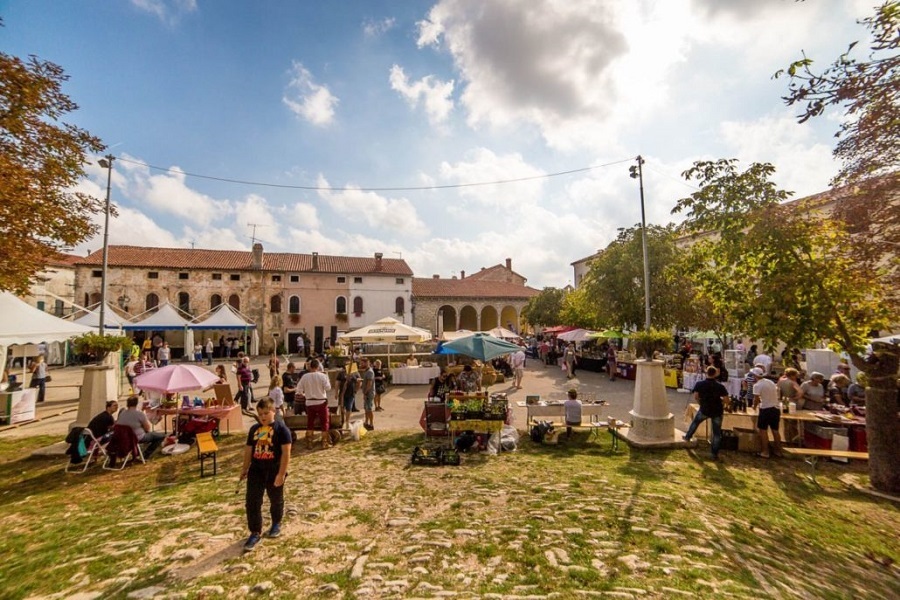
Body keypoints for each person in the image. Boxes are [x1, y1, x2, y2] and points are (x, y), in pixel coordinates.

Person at [240, 397, 291, 552]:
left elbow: (286, 453)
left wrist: (281, 474)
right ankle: (255, 531)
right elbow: (249, 450)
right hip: (256, 470)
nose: (263, 417)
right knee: (252, 501)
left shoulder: (282, 429)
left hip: (274, 469)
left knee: (275, 498)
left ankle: (276, 523)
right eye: (260, 413)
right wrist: (244, 468)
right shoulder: (253, 430)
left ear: (273, 411)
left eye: (266, 413)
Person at [683, 366, 728, 462]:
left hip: (705, 409)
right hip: (717, 410)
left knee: (695, 422)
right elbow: (726, 399)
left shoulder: (700, 384)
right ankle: (714, 454)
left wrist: (701, 403)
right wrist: (723, 405)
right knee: (716, 433)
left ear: (706, 373)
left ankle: (688, 437)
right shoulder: (720, 386)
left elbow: (696, 396)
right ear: (715, 374)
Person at [297, 358, 332, 449]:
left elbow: (299, 390)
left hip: (309, 402)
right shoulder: (322, 376)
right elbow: (328, 388)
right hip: (321, 401)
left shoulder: (305, 377)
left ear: (310, 367)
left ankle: (310, 443)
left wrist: (306, 394)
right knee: (324, 422)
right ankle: (324, 443)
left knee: (310, 423)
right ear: (317, 367)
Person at [752, 367, 782, 458]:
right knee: (775, 430)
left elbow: (756, 399)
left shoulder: (757, 385)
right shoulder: (770, 382)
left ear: (755, 375)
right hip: (775, 408)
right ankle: (778, 451)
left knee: (763, 430)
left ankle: (765, 452)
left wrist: (754, 406)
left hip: (765, 408)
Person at [359, 357, 376, 431]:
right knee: (366, 408)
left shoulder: (369, 372)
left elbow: (369, 384)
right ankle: (366, 422)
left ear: (366, 363)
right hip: (366, 393)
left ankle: (371, 424)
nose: (361, 364)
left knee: (369, 409)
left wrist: (365, 393)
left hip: (369, 393)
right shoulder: (366, 371)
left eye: (362, 363)